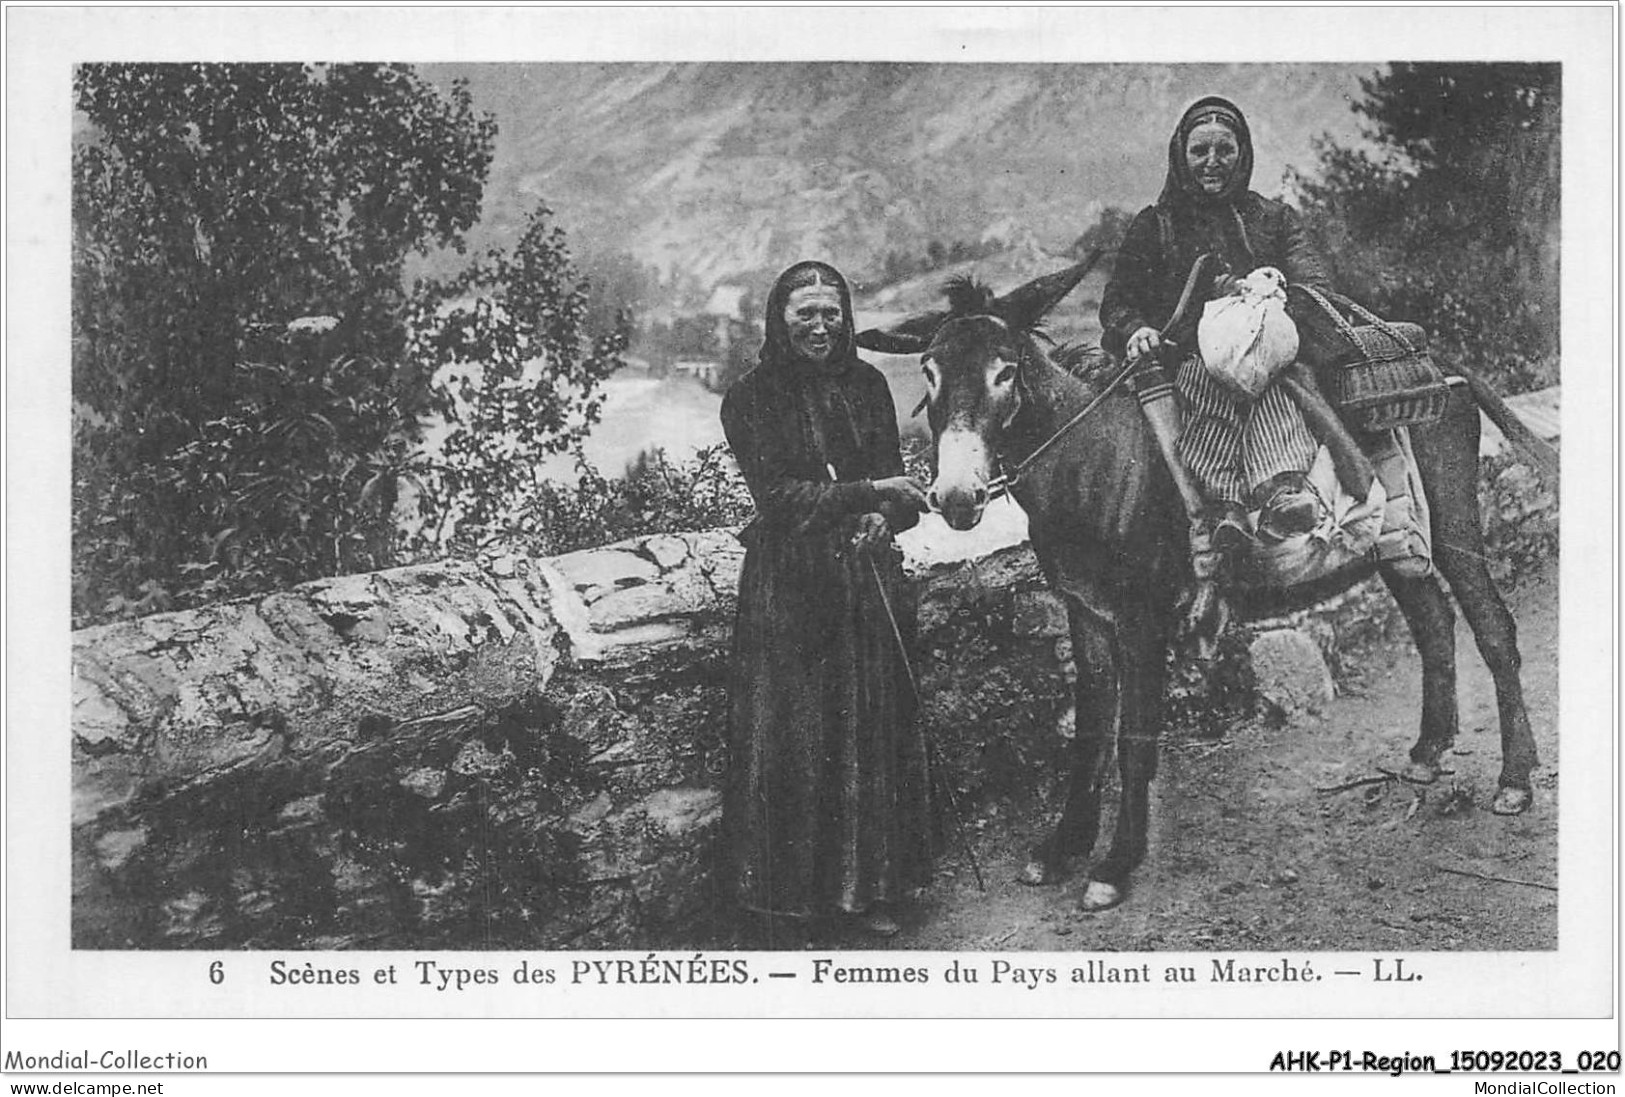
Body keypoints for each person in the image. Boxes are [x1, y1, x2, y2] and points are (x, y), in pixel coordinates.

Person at [719, 260, 933, 943]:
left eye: (831, 313)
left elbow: (893, 491)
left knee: (869, 732)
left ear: (846, 318)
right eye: (804, 313)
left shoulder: (868, 385)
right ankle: (792, 901)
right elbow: (779, 499)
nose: (819, 326)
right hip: (789, 590)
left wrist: (883, 519)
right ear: (779, 320)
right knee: (798, 738)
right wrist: (869, 496)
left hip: (862, 583)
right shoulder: (750, 398)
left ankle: (874, 888)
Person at [1100, 95, 1336, 550]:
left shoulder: (1273, 219)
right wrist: (1137, 331)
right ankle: (1224, 505)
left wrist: (1270, 300)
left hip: (1266, 353)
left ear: (1242, 153)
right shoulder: (1155, 226)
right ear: (1181, 155)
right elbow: (1118, 302)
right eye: (1200, 151)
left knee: (1276, 385)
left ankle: (1282, 494)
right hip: (1186, 357)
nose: (1212, 163)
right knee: (1204, 382)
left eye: (1224, 151)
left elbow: (1314, 284)